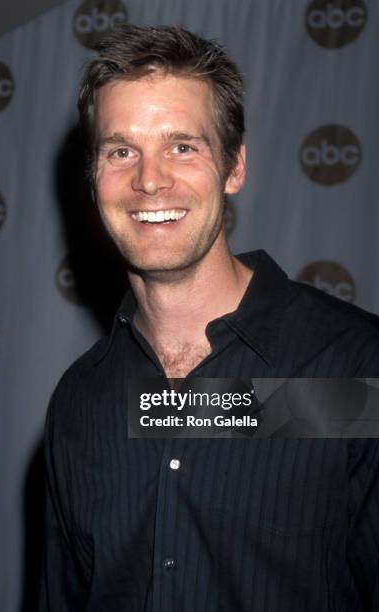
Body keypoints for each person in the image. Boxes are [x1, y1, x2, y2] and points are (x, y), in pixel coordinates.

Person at [40, 24, 379, 611]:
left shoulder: (352, 367)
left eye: (182, 146)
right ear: (93, 179)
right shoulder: (81, 401)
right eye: (121, 150)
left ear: (234, 167)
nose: (150, 179)